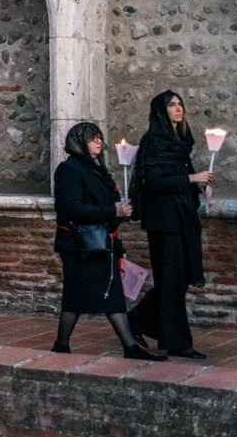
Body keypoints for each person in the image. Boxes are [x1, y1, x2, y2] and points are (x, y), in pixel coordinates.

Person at [51, 122, 165, 361]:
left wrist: (123, 210)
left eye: (99, 137)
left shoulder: (98, 171)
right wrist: (113, 210)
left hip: (101, 242)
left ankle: (65, 344)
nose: (98, 142)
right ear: (78, 142)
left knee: (98, 294)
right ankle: (126, 347)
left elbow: (106, 206)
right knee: (81, 295)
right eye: (92, 138)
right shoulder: (68, 170)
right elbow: (72, 208)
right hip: (78, 245)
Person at [129, 91, 211, 359]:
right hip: (164, 221)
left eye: (180, 104)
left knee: (179, 277)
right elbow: (154, 182)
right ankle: (176, 341)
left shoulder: (179, 141)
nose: (178, 108)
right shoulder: (154, 140)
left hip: (181, 218)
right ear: (161, 111)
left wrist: (199, 186)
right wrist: (191, 179)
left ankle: (136, 321)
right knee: (172, 279)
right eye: (171, 105)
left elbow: (178, 176)